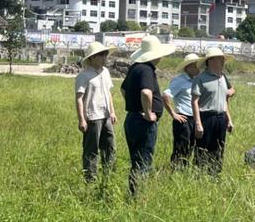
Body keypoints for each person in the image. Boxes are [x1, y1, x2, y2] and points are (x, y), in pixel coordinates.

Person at [120, 35, 176, 195]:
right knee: (143, 162)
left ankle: (133, 193)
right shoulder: (146, 70)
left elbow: (123, 89)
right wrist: (146, 112)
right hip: (143, 122)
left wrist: (135, 105)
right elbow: (146, 92)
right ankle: (137, 196)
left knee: (136, 159)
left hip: (132, 118)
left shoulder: (135, 68)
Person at [75, 42, 117, 182]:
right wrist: (82, 119)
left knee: (110, 147)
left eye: (105, 54)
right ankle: (90, 179)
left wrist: (112, 111)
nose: (104, 57)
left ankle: (108, 176)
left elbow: (109, 93)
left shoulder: (105, 72)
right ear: (92, 58)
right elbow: (79, 98)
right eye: (101, 55)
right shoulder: (84, 76)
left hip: (106, 116)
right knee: (91, 150)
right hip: (92, 117)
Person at [191, 47, 235, 175]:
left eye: (223, 59)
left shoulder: (222, 77)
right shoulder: (200, 78)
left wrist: (229, 120)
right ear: (210, 61)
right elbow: (194, 101)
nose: (222, 62)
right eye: (220, 59)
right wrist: (198, 123)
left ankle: (215, 175)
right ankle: (199, 175)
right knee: (202, 149)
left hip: (220, 118)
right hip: (206, 118)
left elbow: (224, 101)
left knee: (218, 149)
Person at [163, 53, 200, 167]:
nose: (197, 68)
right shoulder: (179, 80)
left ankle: (185, 169)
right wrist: (173, 114)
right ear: (187, 67)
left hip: (195, 118)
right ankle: (177, 170)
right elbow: (166, 95)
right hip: (184, 118)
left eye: (197, 66)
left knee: (193, 146)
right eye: (194, 66)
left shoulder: (196, 80)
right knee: (181, 147)